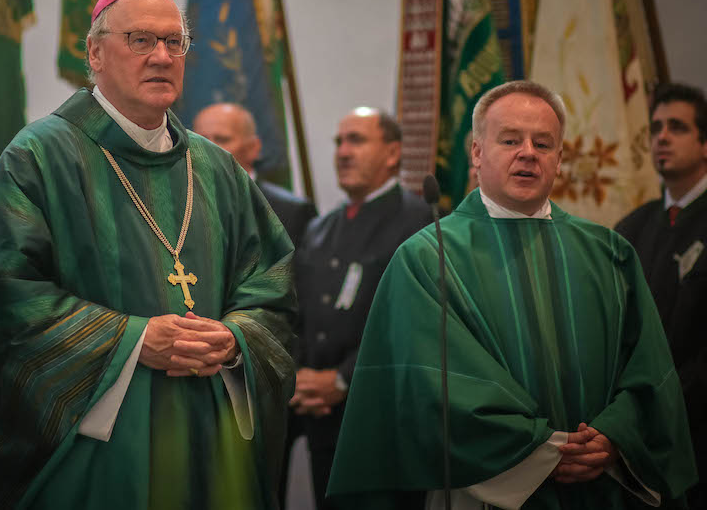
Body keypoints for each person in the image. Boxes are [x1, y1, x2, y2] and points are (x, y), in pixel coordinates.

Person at [0, 0, 297, 510]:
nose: (161, 57)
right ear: (95, 52)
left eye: (174, 42)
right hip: (100, 448)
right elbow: (8, 294)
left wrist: (235, 339)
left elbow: (272, 284)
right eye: (141, 40)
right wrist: (135, 340)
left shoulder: (216, 167)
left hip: (210, 433)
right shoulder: (41, 156)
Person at [327, 81, 696, 509]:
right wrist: (543, 451)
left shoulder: (608, 252)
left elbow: (649, 371)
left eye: (543, 143)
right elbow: (430, 388)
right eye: (510, 140)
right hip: (487, 491)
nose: (528, 152)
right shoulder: (428, 257)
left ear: (559, 160)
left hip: (603, 484)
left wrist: (615, 435)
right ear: (478, 153)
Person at [292, 108, 432, 508]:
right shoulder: (320, 227)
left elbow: (413, 323)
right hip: (321, 420)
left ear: (392, 153)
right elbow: (299, 310)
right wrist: (301, 376)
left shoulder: (420, 221)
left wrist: (341, 380)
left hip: (383, 425)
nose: (343, 152)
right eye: (339, 142)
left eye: (356, 140)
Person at [616, 82, 707, 509]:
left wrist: (667, 398)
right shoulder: (631, 228)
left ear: (705, 144)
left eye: (677, 127)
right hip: (639, 433)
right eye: (655, 128)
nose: (661, 138)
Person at [193, 102, 317, 248]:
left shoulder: (291, 212)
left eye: (221, 139)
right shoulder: (177, 209)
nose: (208, 148)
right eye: (200, 140)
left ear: (253, 148)